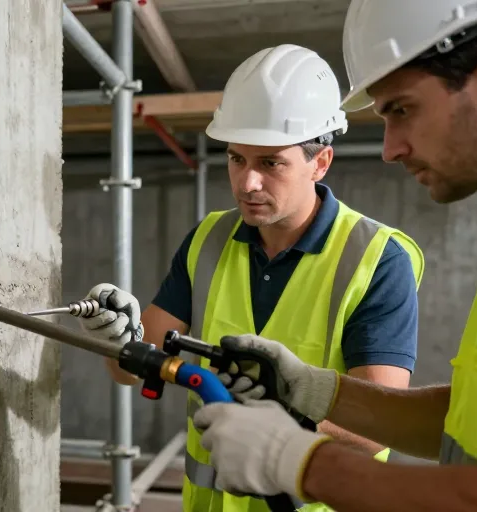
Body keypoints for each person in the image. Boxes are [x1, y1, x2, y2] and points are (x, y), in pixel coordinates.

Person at [191, 1, 477, 510]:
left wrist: (298, 462)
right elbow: (468, 418)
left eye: (402, 110)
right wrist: (317, 390)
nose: (390, 149)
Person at [79, 44, 426, 512]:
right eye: (236, 159)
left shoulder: (377, 259)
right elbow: (130, 368)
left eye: (270, 163)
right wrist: (115, 339)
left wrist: (280, 441)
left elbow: (380, 424)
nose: (247, 183)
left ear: (320, 161)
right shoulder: (209, 240)